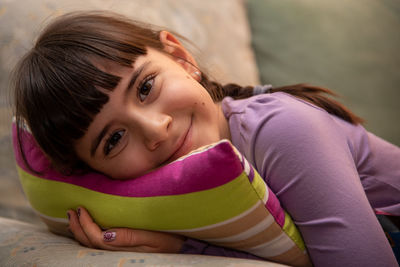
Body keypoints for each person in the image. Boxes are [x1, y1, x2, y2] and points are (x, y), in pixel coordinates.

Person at [12, 11, 399, 267]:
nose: (156, 128)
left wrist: (190, 247)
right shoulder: (179, 196)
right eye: (113, 140)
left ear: (181, 58)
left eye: (145, 86)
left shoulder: (284, 129)